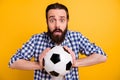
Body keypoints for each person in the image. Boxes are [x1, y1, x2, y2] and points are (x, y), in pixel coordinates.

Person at [9, 2, 107, 80]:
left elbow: (102, 56)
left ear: (67, 21)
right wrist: (40, 65)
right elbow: (13, 62)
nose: (57, 26)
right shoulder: (36, 40)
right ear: (47, 21)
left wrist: (74, 62)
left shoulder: (76, 37)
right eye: (52, 20)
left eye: (62, 20)